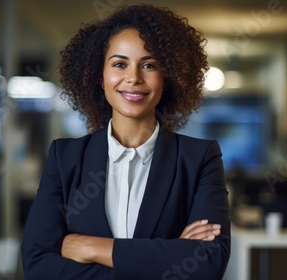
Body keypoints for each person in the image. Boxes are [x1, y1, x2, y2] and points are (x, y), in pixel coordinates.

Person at [21, 4, 230, 279]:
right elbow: (37, 265)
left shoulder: (199, 158)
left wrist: (89, 247)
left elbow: (207, 263)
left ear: (166, 78)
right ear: (99, 75)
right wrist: (169, 254)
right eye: (120, 64)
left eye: (149, 65)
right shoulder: (65, 158)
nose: (133, 78)